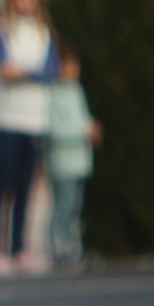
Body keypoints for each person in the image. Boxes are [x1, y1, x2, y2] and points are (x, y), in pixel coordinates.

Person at [0, 0, 62, 275]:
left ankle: (19, 248)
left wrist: (24, 72)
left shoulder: (43, 32)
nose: (23, 0)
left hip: (35, 120)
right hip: (7, 118)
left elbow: (52, 70)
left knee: (25, 189)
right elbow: (5, 70)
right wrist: (31, 73)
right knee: (2, 188)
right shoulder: (2, 29)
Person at [44, 53, 99, 268]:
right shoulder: (53, 93)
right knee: (63, 205)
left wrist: (90, 128)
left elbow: (83, 118)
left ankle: (74, 246)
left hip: (80, 161)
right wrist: (85, 130)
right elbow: (56, 130)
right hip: (62, 162)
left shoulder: (77, 91)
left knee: (76, 206)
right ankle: (58, 246)